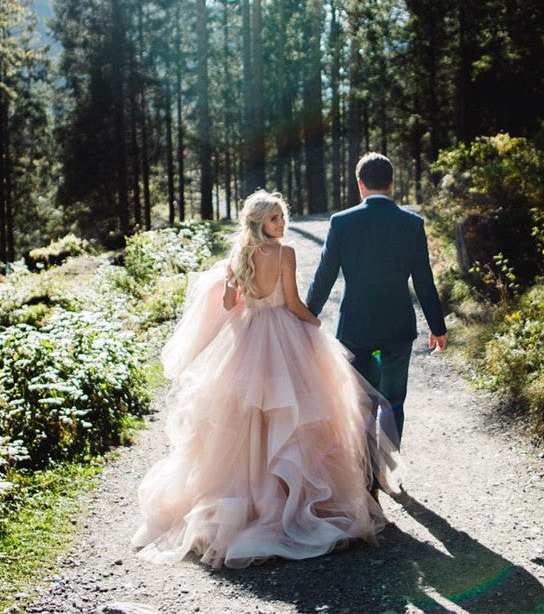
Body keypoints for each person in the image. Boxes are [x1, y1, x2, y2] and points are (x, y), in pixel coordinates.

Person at [131, 189, 402, 569]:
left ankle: (251, 502)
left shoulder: (239, 257)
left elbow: (230, 306)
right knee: (289, 412)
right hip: (281, 335)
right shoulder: (284, 253)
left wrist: (232, 282)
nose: (282, 222)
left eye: (282, 216)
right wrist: (315, 322)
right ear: (259, 222)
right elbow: (291, 303)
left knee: (248, 416)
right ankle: (282, 499)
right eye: (275, 218)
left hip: (246, 336)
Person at [306, 152, 447, 451]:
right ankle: (390, 470)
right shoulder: (412, 223)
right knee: (394, 401)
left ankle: (366, 471)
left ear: (360, 183)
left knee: (361, 403)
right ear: (392, 183)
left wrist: (305, 318)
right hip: (398, 328)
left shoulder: (342, 222)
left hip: (355, 330)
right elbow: (424, 280)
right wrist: (438, 326)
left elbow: (324, 277)